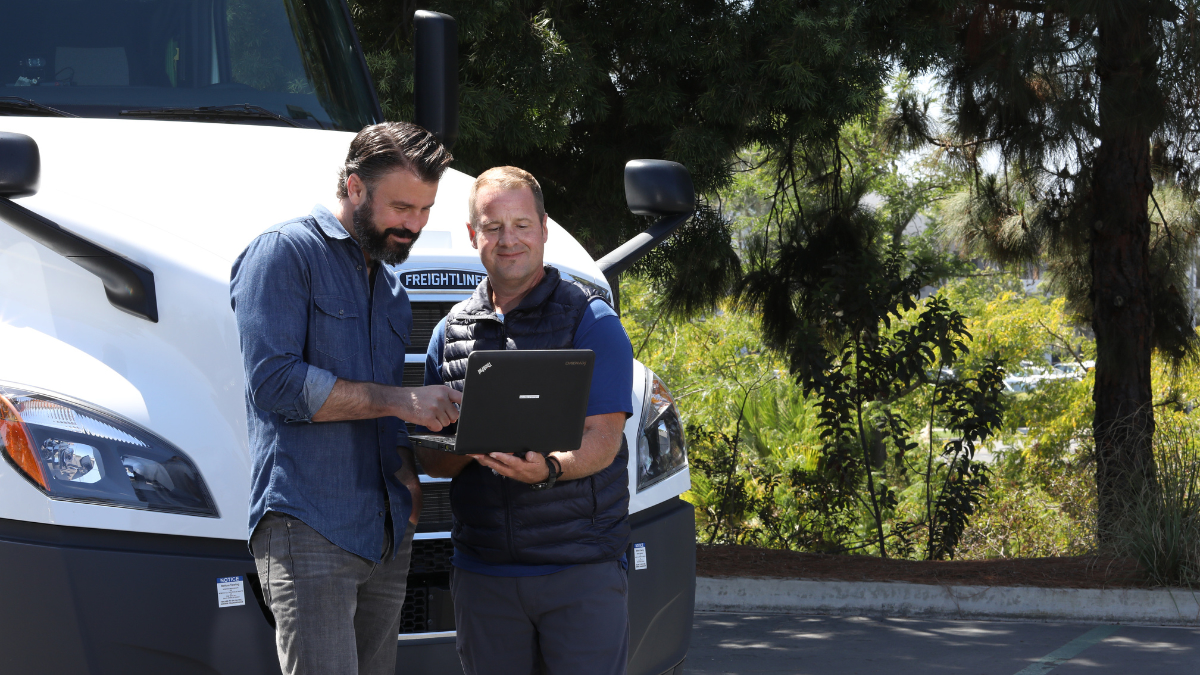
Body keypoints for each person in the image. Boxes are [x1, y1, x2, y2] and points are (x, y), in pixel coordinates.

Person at [230, 122, 462, 675]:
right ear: (355, 187)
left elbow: (383, 409)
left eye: (426, 209)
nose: (415, 224)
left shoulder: (392, 288)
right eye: (402, 207)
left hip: (386, 531)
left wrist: (406, 475)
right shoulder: (283, 253)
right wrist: (404, 402)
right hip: (308, 523)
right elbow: (275, 383)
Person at [417, 166, 635, 675]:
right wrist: (464, 443)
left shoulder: (591, 321)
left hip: (579, 571)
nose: (508, 239)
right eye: (493, 227)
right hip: (484, 574)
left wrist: (550, 469)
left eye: (521, 225)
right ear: (473, 234)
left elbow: (603, 438)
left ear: (543, 229)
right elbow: (431, 460)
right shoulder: (449, 332)